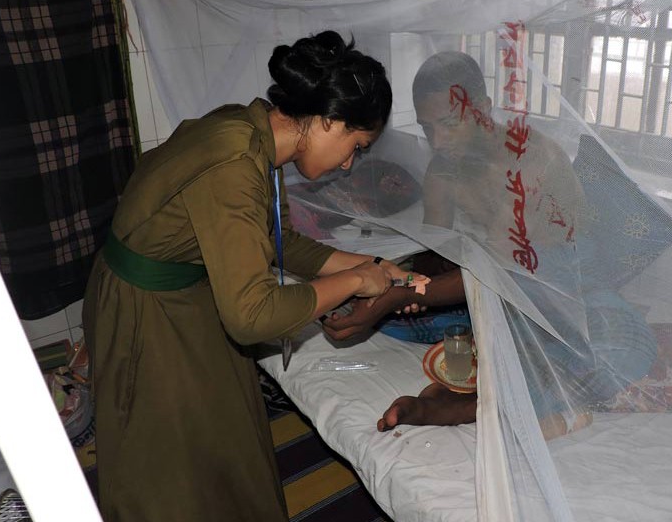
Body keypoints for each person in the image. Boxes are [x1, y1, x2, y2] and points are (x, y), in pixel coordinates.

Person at [82, 31, 423, 522]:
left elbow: (283, 242)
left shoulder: (252, 131)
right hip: (145, 311)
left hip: (183, 294)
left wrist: (368, 268)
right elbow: (252, 316)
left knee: (229, 430)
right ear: (328, 121)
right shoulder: (237, 161)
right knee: (164, 461)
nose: (349, 164)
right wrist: (352, 284)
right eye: (355, 146)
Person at [322, 51, 657, 437]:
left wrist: (403, 297)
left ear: (482, 108)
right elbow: (440, 250)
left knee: (628, 349)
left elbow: (502, 269)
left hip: (569, 290)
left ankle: (463, 404)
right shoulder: (443, 169)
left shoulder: (532, 160)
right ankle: (504, 388)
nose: (438, 140)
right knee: (374, 312)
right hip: (498, 292)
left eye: (449, 123)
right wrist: (401, 286)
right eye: (427, 127)